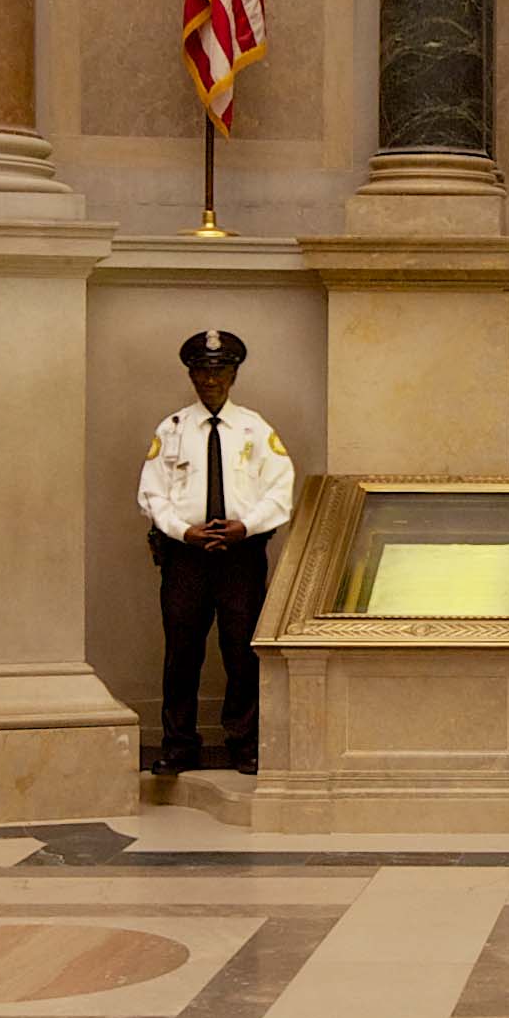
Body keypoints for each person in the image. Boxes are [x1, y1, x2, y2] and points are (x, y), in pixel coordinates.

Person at [135, 327, 293, 777]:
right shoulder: (173, 429)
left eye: (220, 370)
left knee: (242, 653)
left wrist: (248, 526)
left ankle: (245, 743)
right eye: (202, 371)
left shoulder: (255, 429)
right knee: (181, 653)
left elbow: (280, 492)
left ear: (234, 373)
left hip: (240, 557)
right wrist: (184, 532)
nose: (210, 379)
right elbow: (152, 495)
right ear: (191, 374)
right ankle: (179, 745)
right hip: (187, 557)